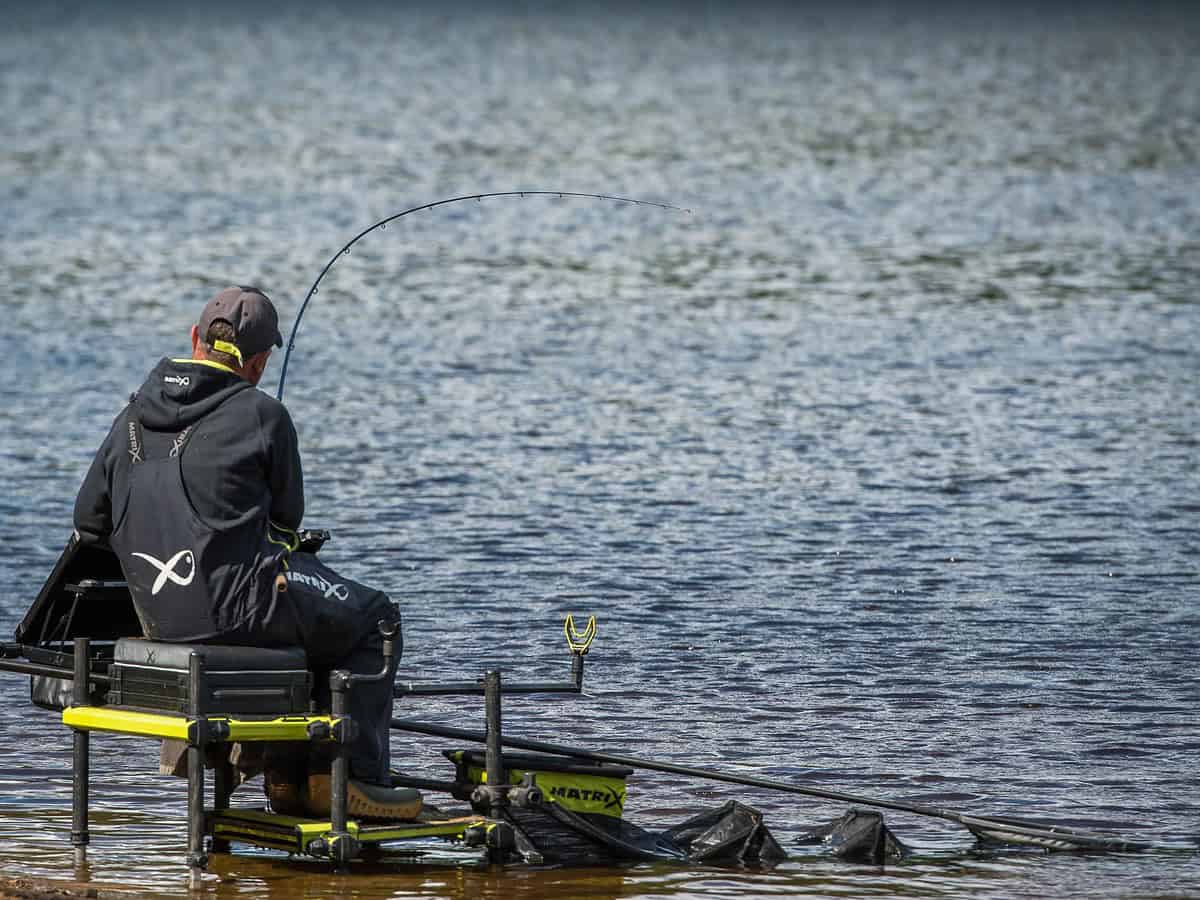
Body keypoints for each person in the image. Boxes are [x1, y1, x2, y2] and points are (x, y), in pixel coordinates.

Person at [73, 285, 420, 820]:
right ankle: (348, 781)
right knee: (375, 617)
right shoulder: (264, 414)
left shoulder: (130, 418)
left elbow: (89, 521)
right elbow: (288, 519)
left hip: (162, 618)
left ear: (194, 339)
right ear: (258, 363)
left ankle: (288, 781)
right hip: (239, 610)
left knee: (317, 611)